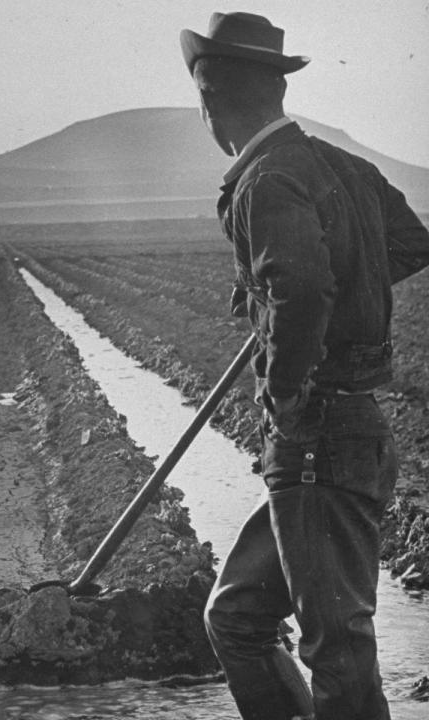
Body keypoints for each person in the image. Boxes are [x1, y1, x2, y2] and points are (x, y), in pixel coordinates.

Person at [179, 11, 429, 720]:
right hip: (346, 435)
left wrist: (285, 388)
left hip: (319, 438)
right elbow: (409, 245)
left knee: (338, 653)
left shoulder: (264, 181)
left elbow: (301, 287)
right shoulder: (341, 166)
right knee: (237, 618)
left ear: (210, 99)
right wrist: (331, 291)